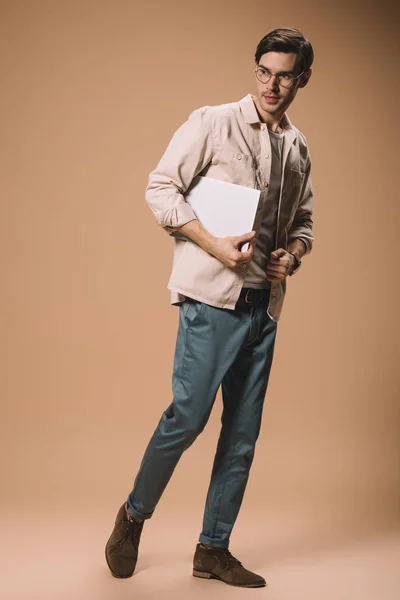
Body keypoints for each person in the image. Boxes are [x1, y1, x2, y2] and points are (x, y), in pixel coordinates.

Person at [105, 27, 314, 589]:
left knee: (243, 433)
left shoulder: (298, 147)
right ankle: (132, 517)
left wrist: (291, 257)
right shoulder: (212, 123)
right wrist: (213, 245)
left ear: (302, 79)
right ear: (256, 71)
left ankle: (213, 549)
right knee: (188, 418)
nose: (272, 84)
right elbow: (160, 189)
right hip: (212, 302)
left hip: (263, 308)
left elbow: (304, 225)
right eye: (264, 71)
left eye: (284, 74)